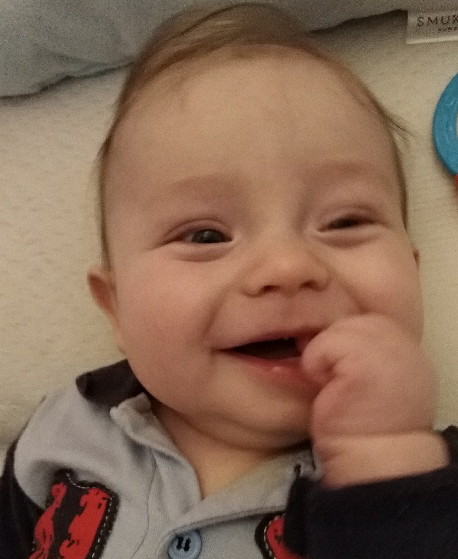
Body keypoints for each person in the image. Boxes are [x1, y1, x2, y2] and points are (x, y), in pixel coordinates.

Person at [1, 3, 458, 558]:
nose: (287, 267)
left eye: (345, 222)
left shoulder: (433, 485)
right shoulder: (64, 434)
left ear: (413, 272)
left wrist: (385, 459)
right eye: (205, 236)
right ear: (116, 307)